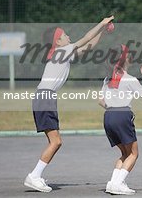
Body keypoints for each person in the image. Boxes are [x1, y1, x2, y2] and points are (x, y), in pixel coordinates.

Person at [24, 16, 114, 192]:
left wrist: (103, 31)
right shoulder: (60, 52)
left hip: (45, 97)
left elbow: (88, 47)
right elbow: (85, 39)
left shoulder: (62, 54)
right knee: (56, 142)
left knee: (55, 141)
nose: (69, 37)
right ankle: (34, 176)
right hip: (45, 98)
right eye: (65, 35)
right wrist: (102, 23)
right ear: (58, 41)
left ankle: (36, 175)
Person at [99, 44, 142, 195]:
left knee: (125, 153)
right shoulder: (130, 79)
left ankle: (113, 183)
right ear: (126, 61)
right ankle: (117, 184)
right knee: (134, 154)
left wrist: (114, 108)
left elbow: (101, 101)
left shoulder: (107, 79)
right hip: (122, 116)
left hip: (108, 116)